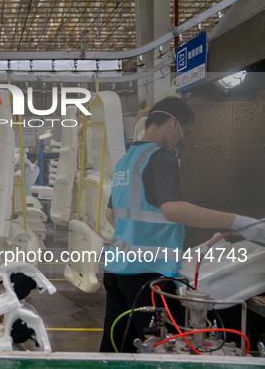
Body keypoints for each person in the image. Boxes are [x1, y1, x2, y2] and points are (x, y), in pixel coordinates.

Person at [100, 96, 265, 353]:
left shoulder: (128, 160)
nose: (181, 141)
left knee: (117, 346)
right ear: (174, 123)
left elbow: (111, 215)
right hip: (149, 277)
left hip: (117, 271)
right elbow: (174, 209)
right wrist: (239, 222)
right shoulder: (161, 158)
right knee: (162, 350)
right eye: (184, 134)